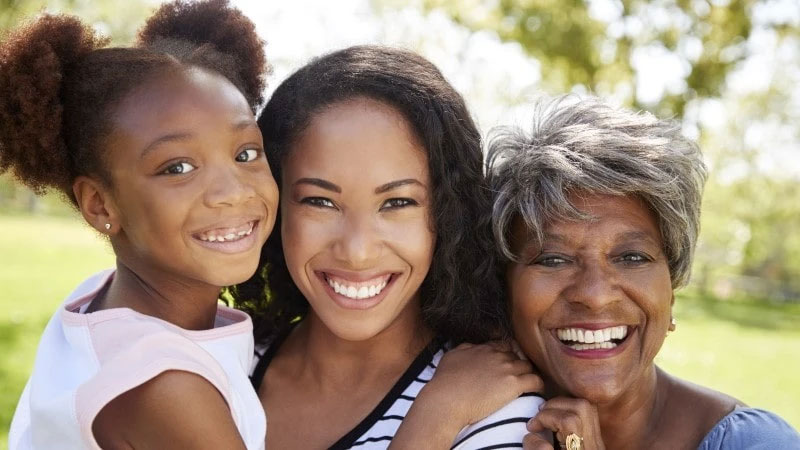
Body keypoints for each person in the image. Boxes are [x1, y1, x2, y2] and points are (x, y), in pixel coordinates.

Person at [233, 45, 544, 449]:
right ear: (274, 201)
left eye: (397, 203)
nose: (357, 250)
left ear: (446, 215)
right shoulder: (221, 368)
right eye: (320, 201)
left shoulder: (494, 411)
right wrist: (430, 424)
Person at [1, 1, 277, 448]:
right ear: (100, 204)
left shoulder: (97, 303)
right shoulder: (165, 388)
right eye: (178, 167)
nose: (233, 191)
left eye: (245, 154)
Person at [486, 96, 800, 449]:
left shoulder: (756, 443)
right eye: (554, 259)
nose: (595, 295)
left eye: (632, 257)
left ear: (672, 289)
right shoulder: (468, 427)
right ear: (503, 288)